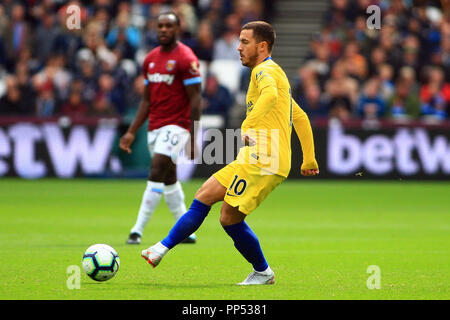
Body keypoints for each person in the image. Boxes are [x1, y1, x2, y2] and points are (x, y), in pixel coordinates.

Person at [141, 21, 319, 285]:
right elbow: (300, 117)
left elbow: (269, 96)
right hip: (256, 157)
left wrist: (248, 124)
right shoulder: (275, 73)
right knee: (203, 195)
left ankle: (263, 272)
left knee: (229, 218)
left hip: (265, 159)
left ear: (262, 46)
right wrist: (309, 158)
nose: (238, 48)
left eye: (244, 42)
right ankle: (160, 248)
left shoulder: (264, 72)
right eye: (238, 41)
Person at [119, 12, 202, 245]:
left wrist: (193, 136)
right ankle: (187, 230)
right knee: (169, 178)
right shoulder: (150, 59)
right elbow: (146, 100)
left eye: (169, 26)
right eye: (160, 26)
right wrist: (132, 131)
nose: (164, 29)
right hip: (155, 126)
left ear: (178, 29)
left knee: (156, 170)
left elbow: (196, 99)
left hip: (177, 125)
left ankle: (137, 230)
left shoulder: (186, 58)